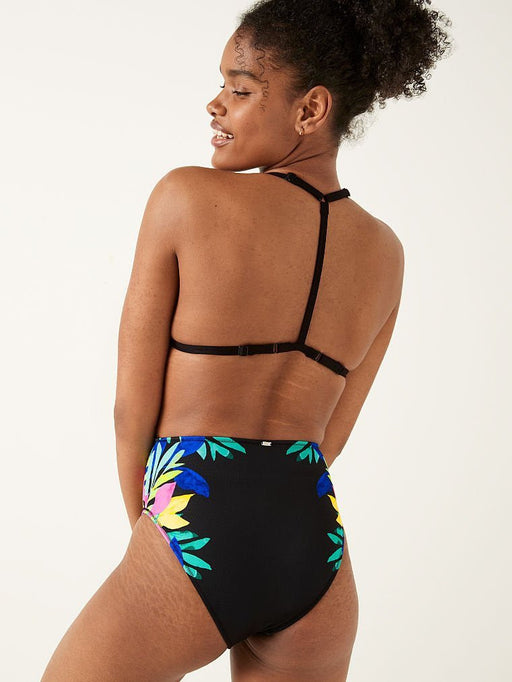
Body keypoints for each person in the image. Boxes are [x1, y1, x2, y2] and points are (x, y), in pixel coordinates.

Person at [42, 1, 452, 680]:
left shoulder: (186, 197)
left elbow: (129, 409)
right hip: (313, 539)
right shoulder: (386, 254)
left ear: (310, 109)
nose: (215, 104)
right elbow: (331, 436)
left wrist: (155, 534)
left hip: (197, 512)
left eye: (240, 89)